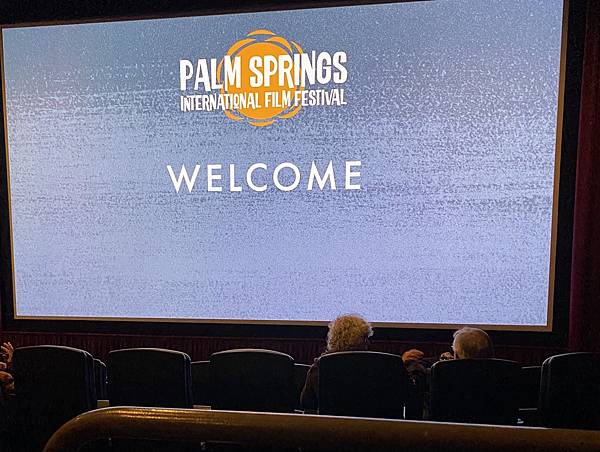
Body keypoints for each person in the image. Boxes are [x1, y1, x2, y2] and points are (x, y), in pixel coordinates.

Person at [300, 315, 422, 411]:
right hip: (380, 430)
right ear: (362, 340)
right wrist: (401, 365)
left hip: (332, 431)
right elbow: (406, 396)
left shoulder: (321, 366)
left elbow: (307, 402)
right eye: (366, 338)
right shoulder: (383, 365)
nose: (368, 343)